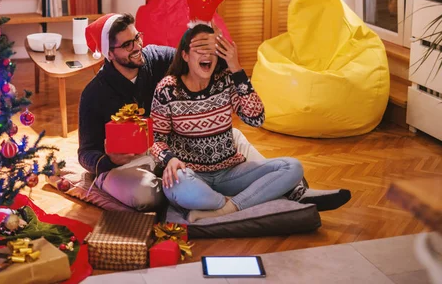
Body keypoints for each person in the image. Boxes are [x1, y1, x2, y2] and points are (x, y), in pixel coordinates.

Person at [78, 13, 351, 212]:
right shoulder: (93, 93)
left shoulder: (157, 58)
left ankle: (295, 190)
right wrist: (108, 160)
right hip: (127, 162)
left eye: (137, 38)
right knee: (148, 195)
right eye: (127, 45)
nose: (137, 47)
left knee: (233, 134)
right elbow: (85, 153)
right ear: (109, 54)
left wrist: (222, 56)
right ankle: (228, 193)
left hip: (171, 148)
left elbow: (197, 62)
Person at [150, 24, 348, 222]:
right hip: (192, 175)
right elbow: (156, 140)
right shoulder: (167, 89)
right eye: (201, 50)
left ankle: (225, 209)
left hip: (230, 173)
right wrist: (170, 159)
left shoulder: (226, 80)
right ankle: (245, 201)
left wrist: (236, 68)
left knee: (292, 167)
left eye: (213, 51)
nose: (208, 56)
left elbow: (256, 117)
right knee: (177, 186)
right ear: (185, 55)